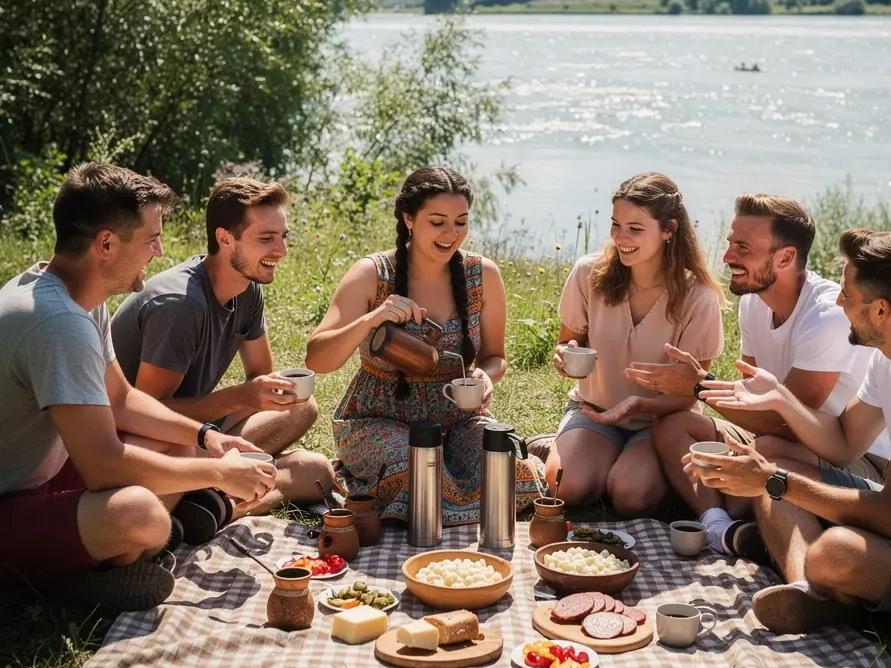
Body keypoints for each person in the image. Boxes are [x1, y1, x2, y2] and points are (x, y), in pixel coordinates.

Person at [691, 230, 891, 636]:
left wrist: (772, 482)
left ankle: (838, 589)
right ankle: (808, 589)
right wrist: (781, 398)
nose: (838, 301)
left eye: (847, 294)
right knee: (774, 458)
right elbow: (845, 441)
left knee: (836, 551)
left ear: (881, 311)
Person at [0, 164, 275, 611]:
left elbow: (123, 399)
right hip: (11, 501)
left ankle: (80, 564)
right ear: (106, 243)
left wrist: (208, 438)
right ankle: (53, 581)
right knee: (141, 516)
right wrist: (220, 475)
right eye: (151, 238)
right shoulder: (58, 322)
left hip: (43, 477)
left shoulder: (78, 296)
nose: (160, 250)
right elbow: (105, 466)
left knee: (184, 449)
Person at [305, 166, 546, 523]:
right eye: (438, 222)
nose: (451, 234)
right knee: (422, 480)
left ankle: (534, 449)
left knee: (510, 476)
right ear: (409, 219)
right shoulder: (372, 274)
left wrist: (486, 377)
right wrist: (372, 319)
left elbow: (495, 357)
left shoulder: (484, 275)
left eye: (461, 222)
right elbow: (317, 359)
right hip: (379, 418)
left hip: (459, 418)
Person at [646, 194, 878, 559]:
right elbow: (751, 394)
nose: (727, 258)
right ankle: (719, 527)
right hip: (777, 441)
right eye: (729, 244)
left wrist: (700, 386)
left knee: (763, 453)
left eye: (742, 247)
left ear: (785, 257)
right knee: (674, 426)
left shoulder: (826, 315)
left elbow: (785, 423)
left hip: (849, 459)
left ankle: (749, 517)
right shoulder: (754, 301)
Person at [111, 177, 334, 528]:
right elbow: (144, 412)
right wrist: (240, 398)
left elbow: (260, 374)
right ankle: (217, 494)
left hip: (197, 435)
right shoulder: (180, 305)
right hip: (143, 446)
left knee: (311, 442)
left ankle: (218, 503)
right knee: (302, 472)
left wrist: (265, 392)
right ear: (225, 239)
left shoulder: (247, 289)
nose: (282, 251)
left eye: (283, 237)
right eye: (266, 239)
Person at [541, 173, 725, 516]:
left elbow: (690, 392)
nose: (620, 238)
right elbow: (567, 342)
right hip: (593, 412)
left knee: (630, 494)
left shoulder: (698, 297)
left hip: (658, 425)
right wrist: (563, 356)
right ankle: (588, 455)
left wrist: (638, 405)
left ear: (668, 229)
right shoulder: (588, 274)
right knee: (564, 486)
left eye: (635, 229)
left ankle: (637, 471)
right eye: (616, 225)